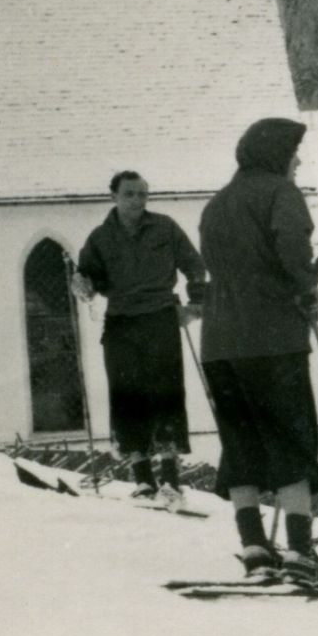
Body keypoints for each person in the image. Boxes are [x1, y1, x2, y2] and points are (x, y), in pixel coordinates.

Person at [198, 117, 318, 580]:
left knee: (241, 444)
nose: (298, 160)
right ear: (275, 154)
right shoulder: (280, 193)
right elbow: (292, 250)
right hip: (272, 338)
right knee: (291, 438)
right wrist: (308, 285)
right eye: (294, 152)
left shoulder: (216, 204)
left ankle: (254, 547)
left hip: (219, 343)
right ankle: (298, 552)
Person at [74, 171, 206, 508]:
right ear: (114, 196)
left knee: (166, 396)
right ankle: (143, 481)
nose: (137, 200)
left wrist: (196, 304)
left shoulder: (165, 227)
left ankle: (171, 481)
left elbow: (194, 265)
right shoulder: (100, 237)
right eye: (130, 194)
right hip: (120, 323)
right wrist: (82, 285)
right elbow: (89, 280)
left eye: (142, 194)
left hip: (160, 317)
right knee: (127, 398)